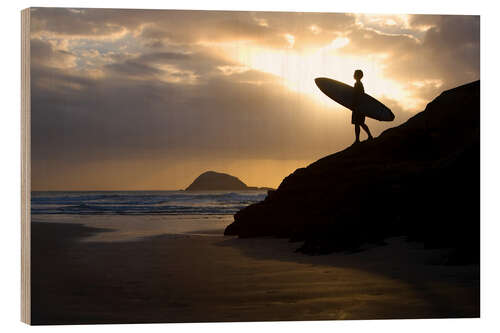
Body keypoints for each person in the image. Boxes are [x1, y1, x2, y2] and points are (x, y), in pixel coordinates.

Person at [352, 69, 373, 144]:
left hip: (358, 106)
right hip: (360, 106)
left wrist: (355, 105)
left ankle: (359, 139)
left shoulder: (358, 84)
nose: (353, 75)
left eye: (355, 74)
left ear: (358, 76)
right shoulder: (359, 84)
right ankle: (366, 137)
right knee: (359, 123)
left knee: (358, 123)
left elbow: (358, 95)